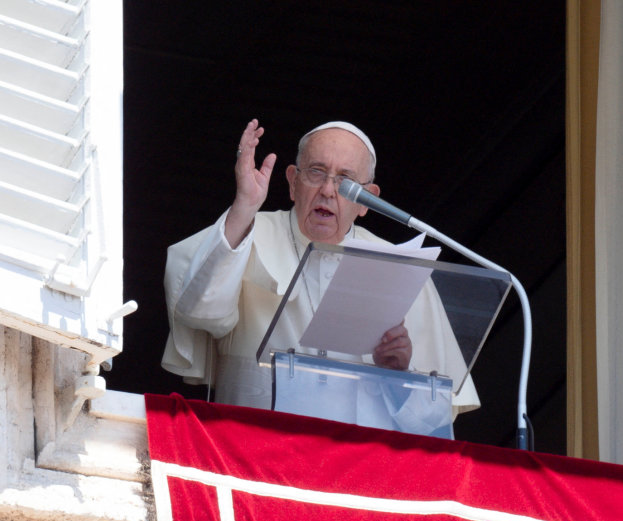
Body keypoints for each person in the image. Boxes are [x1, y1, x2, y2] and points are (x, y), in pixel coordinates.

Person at [161, 119, 480, 420]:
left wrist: (398, 376)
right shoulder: (244, 234)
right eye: (316, 172)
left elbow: (433, 417)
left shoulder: (398, 266)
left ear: (367, 200)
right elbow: (200, 312)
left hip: (355, 469)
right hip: (252, 455)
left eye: (345, 180)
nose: (328, 190)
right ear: (292, 181)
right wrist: (244, 205)